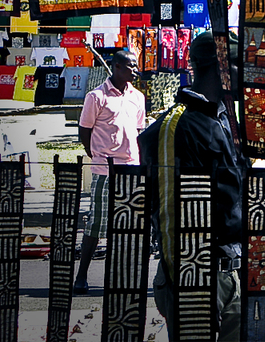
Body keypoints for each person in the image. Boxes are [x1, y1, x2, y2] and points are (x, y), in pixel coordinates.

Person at [139, 31, 248, 339]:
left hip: (232, 274)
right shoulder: (177, 127)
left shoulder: (224, 120)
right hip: (197, 276)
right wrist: (188, 281)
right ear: (220, 66)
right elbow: (169, 212)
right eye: (240, 65)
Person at [74, 50, 145, 294]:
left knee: (128, 225)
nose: (134, 71)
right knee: (97, 223)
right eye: (129, 66)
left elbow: (139, 131)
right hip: (105, 169)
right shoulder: (96, 97)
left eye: (135, 66)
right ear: (115, 67)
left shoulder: (138, 97)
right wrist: (97, 155)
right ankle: (81, 276)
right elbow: (85, 131)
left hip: (131, 169)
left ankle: (122, 277)